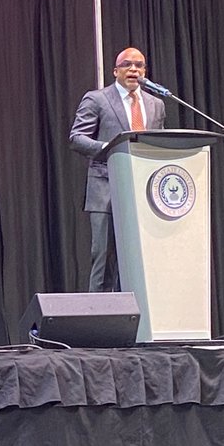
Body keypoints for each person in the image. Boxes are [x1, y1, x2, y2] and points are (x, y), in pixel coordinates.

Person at [69, 46, 167, 291]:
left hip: (145, 192)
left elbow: (160, 143)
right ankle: (99, 322)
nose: (134, 69)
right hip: (107, 190)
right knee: (105, 259)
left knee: (140, 260)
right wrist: (111, 148)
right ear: (115, 71)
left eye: (139, 65)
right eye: (127, 64)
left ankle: (137, 321)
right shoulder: (97, 99)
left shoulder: (156, 104)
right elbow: (77, 138)